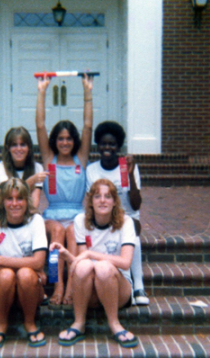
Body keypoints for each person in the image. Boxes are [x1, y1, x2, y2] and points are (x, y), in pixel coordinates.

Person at [50, 179, 138, 348]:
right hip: (90, 290)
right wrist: (67, 256)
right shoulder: (81, 220)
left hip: (118, 288)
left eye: (108, 196)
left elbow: (126, 263)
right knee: (84, 266)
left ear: (114, 202)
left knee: (103, 267)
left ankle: (114, 324)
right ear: (91, 201)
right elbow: (82, 262)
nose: (103, 200)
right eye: (97, 196)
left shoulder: (126, 222)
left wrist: (91, 253)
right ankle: (79, 323)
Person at [35, 74, 94, 305]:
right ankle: (56, 284)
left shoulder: (81, 159)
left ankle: (71, 287)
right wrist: (42, 91)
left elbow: (88, 125)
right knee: (58, 232)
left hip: (77, 214)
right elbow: (40, 125)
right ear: (54, 141)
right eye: (60, 139)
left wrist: (87, 91)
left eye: (69, 138)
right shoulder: (49, 159)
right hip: (53, 214)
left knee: (71, 232)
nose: (65, 143)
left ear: (75, 141)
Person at [86, 121, 149, 306]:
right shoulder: (92, 170)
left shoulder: (127, 166)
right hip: (103, 216)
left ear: (118, 146)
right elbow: (91, 203)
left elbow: (136, 205)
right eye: (103, 143)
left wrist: (130, 175)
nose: (107, 148)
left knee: (133, 234)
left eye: (112, 144)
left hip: (127, 216)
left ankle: (138, 285)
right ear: (98, 144)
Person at [0, 178, 47, 349]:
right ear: (2, 201)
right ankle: (2, 324)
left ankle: (30, 323)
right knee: (6, 276)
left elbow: (39, 261)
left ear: (27, 201)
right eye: (10, 198)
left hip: (29, 288)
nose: (15, 204)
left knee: (24, 275)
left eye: (20, 199)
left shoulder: (36, 221)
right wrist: (28, 265)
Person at [0, 126, 48, 208]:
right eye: (14, 145)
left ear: (29, 148)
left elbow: (34, 205)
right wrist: (31, 180)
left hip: (28, 213)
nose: (19, 149)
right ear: (8, 148)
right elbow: (10, 194)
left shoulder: (37, 168)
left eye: (23, 145)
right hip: (5, 214)